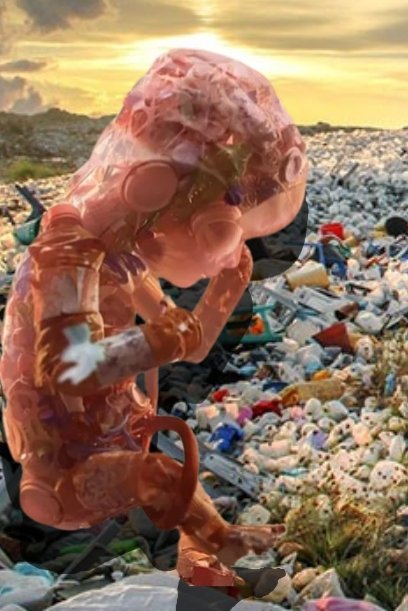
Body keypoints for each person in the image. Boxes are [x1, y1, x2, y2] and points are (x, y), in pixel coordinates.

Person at [0, 48, 307, 588]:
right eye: (217, 229)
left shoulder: (120, 255)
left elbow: (188, 344)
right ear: (154, 191)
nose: (221, 247)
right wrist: (155, 343)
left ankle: (206, 556)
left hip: (117, 426)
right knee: (159, 475)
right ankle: (220, 545)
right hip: (62, 469)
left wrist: (222, 291)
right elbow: (69, 368)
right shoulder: (69, 253)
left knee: (179, 477)